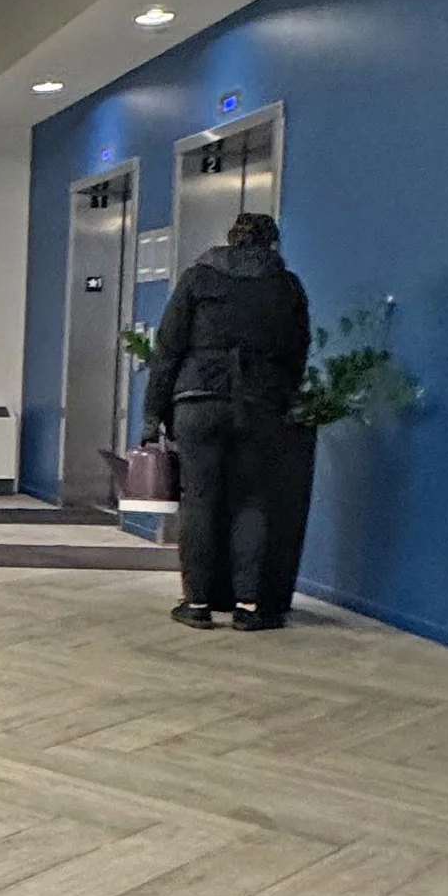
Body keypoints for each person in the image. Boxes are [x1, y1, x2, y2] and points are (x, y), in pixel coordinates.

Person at [142, 209, 313, 631]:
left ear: (232, 239)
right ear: (271, 243)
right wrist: (282, 397)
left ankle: (197, 603)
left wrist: (152, 414)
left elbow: (167, 349)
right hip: (260, 406)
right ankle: (250, 607)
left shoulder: (199, 278)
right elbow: (297, 352)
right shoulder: (286, 287)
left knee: (199, 500)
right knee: (253, 502)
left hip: (198, 402)